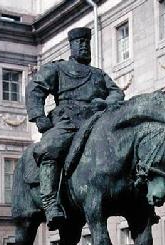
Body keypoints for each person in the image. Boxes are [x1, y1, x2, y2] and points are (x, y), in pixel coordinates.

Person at [26, 27, 124, 231]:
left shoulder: (98, 74)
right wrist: (38, 116)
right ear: (70, 46)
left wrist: (104, 103)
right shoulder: (58, 69)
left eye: (86, 43)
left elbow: (117, 94)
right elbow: (35, 88)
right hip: (68, 122)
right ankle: (50, 202)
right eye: (79, 43)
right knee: (51, 147)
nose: (84, 46)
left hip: (97, 121)